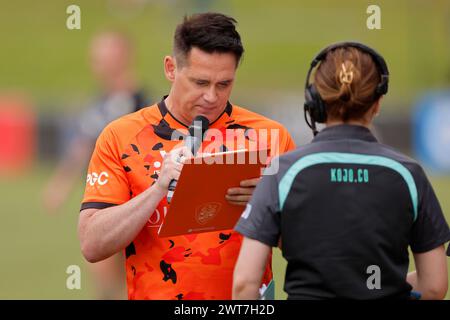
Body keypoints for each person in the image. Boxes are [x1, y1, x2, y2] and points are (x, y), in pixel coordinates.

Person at [78, 13, 295, 300]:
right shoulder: (121, 136)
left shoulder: (271, 137)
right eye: (200, 82)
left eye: (224, 84)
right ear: (171, 68)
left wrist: (267, 206)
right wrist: (157, 189)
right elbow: (92, 244)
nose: (211, 97)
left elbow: (309, 246)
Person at [233, 42, 450, 300]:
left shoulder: (283, 173)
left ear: (315, 101)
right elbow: (434, 286)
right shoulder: (409, 175)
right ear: (378, 102)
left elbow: (245, 283)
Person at [43, 31, 149, 299]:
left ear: (122, 57)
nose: (97, 63)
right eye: (95, 57)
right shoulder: (102, 100)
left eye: (103, 56)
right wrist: (61, 184)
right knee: (105, 278)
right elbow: (82, 143)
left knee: (130, 278)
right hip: (105, 198)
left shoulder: (137, 102)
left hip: (131, 199)